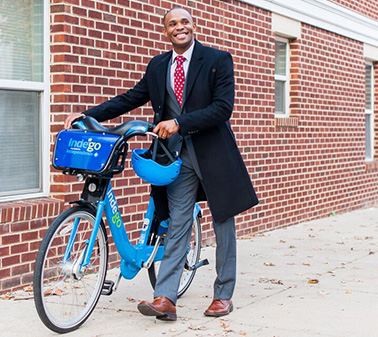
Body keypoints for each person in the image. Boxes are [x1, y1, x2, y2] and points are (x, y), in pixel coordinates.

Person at [64, 6, 259, 321]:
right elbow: (131, 97)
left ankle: (223, 295)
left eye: (184, 21)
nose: (179, 27)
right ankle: (165, 298)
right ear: (165, 31)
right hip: (174, 157)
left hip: (214, 155)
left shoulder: (216, 60)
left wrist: (179, 122)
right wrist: (89, 115)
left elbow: (223, 108)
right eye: (172, 24)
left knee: (223, 223)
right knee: (176, 223)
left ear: (193, 26)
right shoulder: (157, 66)